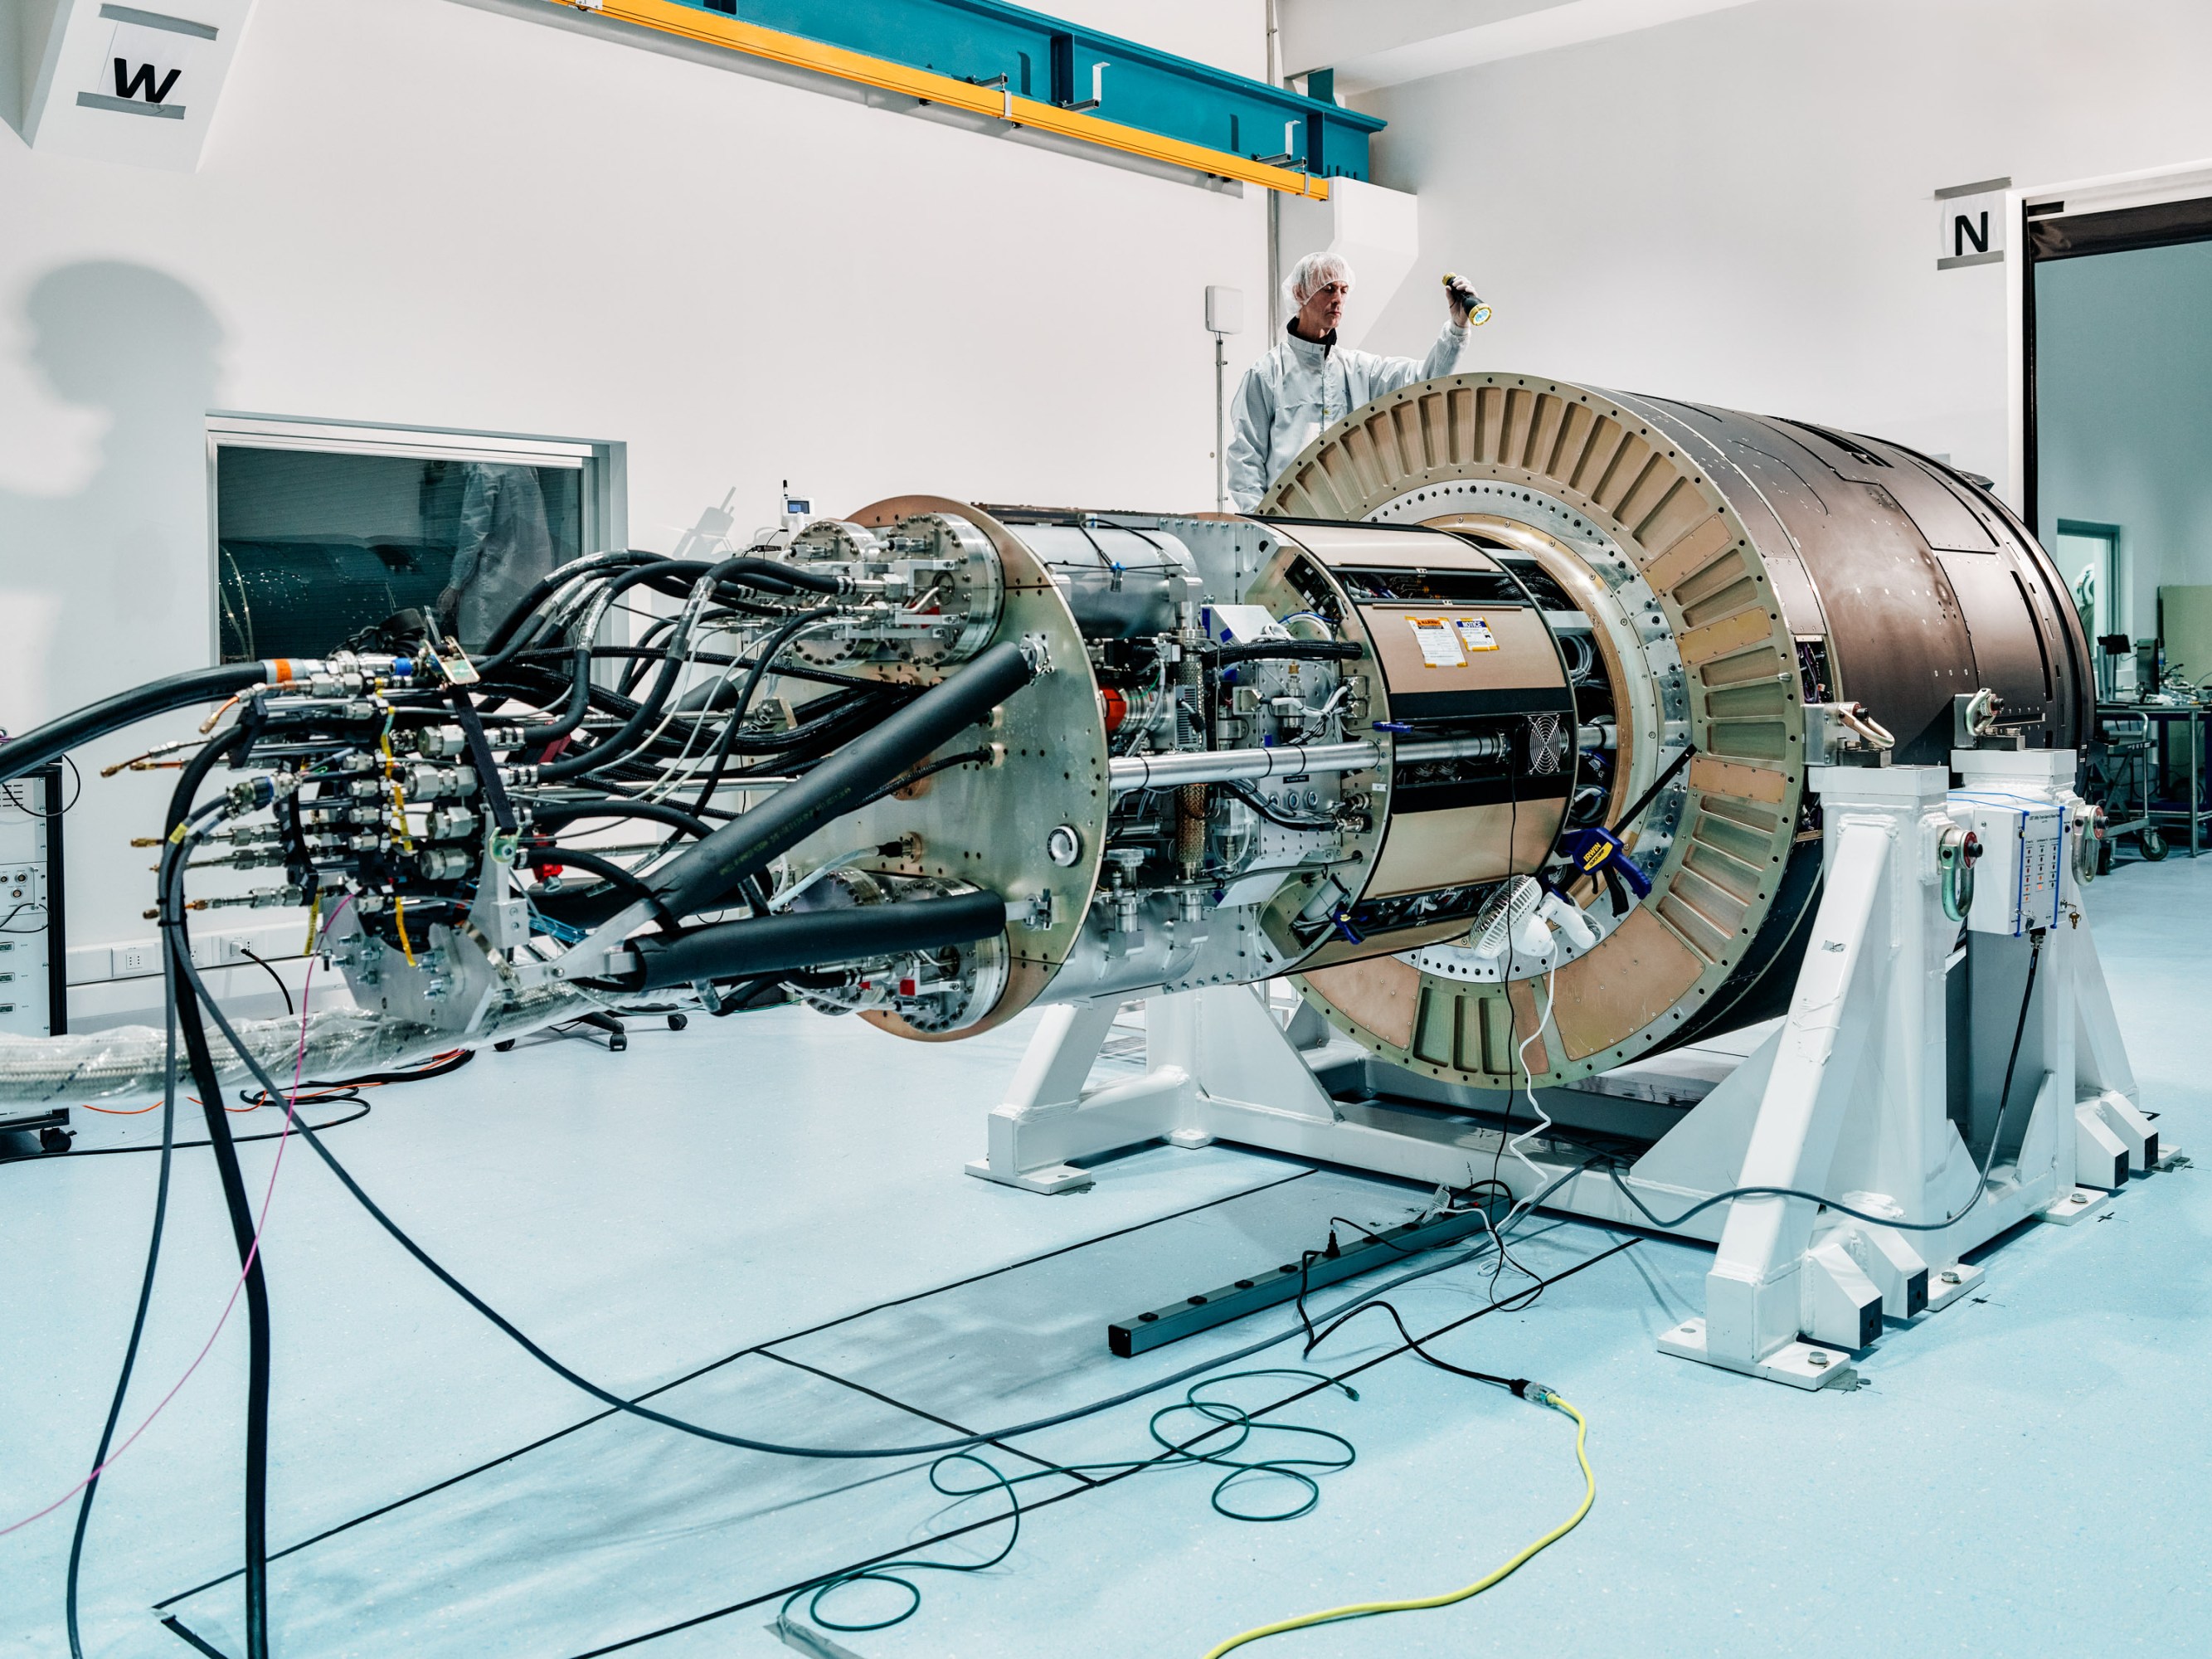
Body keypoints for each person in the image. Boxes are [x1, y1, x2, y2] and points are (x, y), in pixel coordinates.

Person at [1226, 251, 1476, 511]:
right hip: (1287, 523)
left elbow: (1425, 379)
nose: (1337, 299)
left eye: (1344, 290)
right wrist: (1263, 526)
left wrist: (1457, 327)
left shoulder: (1360, 370)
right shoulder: (1267, 373)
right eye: (1328, 289)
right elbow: (1246, 458)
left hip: (1348, 519)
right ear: (1300, 293)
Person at [439, 461, 556, 649]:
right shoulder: (525, 467)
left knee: (482, 669)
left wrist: (455, 585)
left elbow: (473, 534)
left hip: (491, 596)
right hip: (528, 596)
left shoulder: (485, 469)